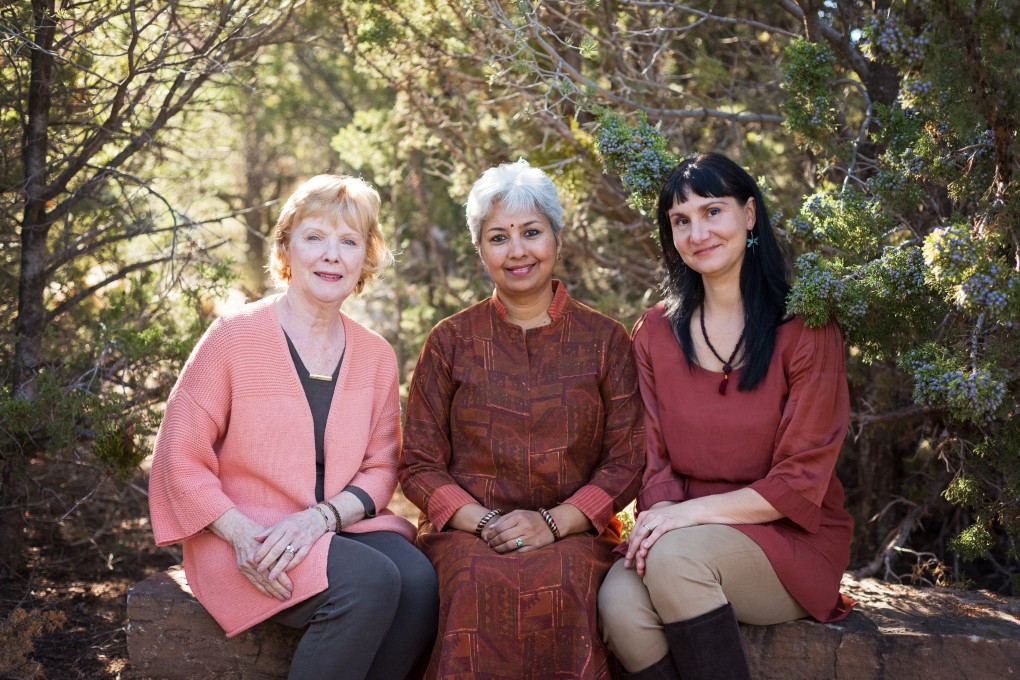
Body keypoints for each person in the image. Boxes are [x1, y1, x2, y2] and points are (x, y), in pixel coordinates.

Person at [148, 175, 438, 680]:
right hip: (247, 535)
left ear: (364, 259)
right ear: (286, 247)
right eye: (315, 237)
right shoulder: (233, 338)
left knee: (418, 582)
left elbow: (380, 467)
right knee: (368, 582)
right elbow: (180, 455)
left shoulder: (375, 355)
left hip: (337, 526)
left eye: (349, 242)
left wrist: (321, 518)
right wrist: (239, 534)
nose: (332, 255)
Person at [598, 152, 854, 680]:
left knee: (676, 561)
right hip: (680, 531)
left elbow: (800, 479)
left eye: (713, 211)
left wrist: (682, 520)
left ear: (750, 215)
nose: (698, 233)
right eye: (681, 220)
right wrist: (664, 518)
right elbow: (654, 460)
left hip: (789, 541)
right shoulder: (654, 333)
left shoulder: (806, 329)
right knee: (618, 604)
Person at [400, 159, 644, 679]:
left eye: (531, 233)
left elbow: (627, 459)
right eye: (499, 237)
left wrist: (555, 524)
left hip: (576, 533)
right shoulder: (450, 341)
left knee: (566, 577)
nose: (517, 251)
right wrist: (485, 523)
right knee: (471, 579)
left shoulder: (605, 340)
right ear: (480, 249)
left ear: (555, 237)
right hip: (467, 534)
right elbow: (419, 463)